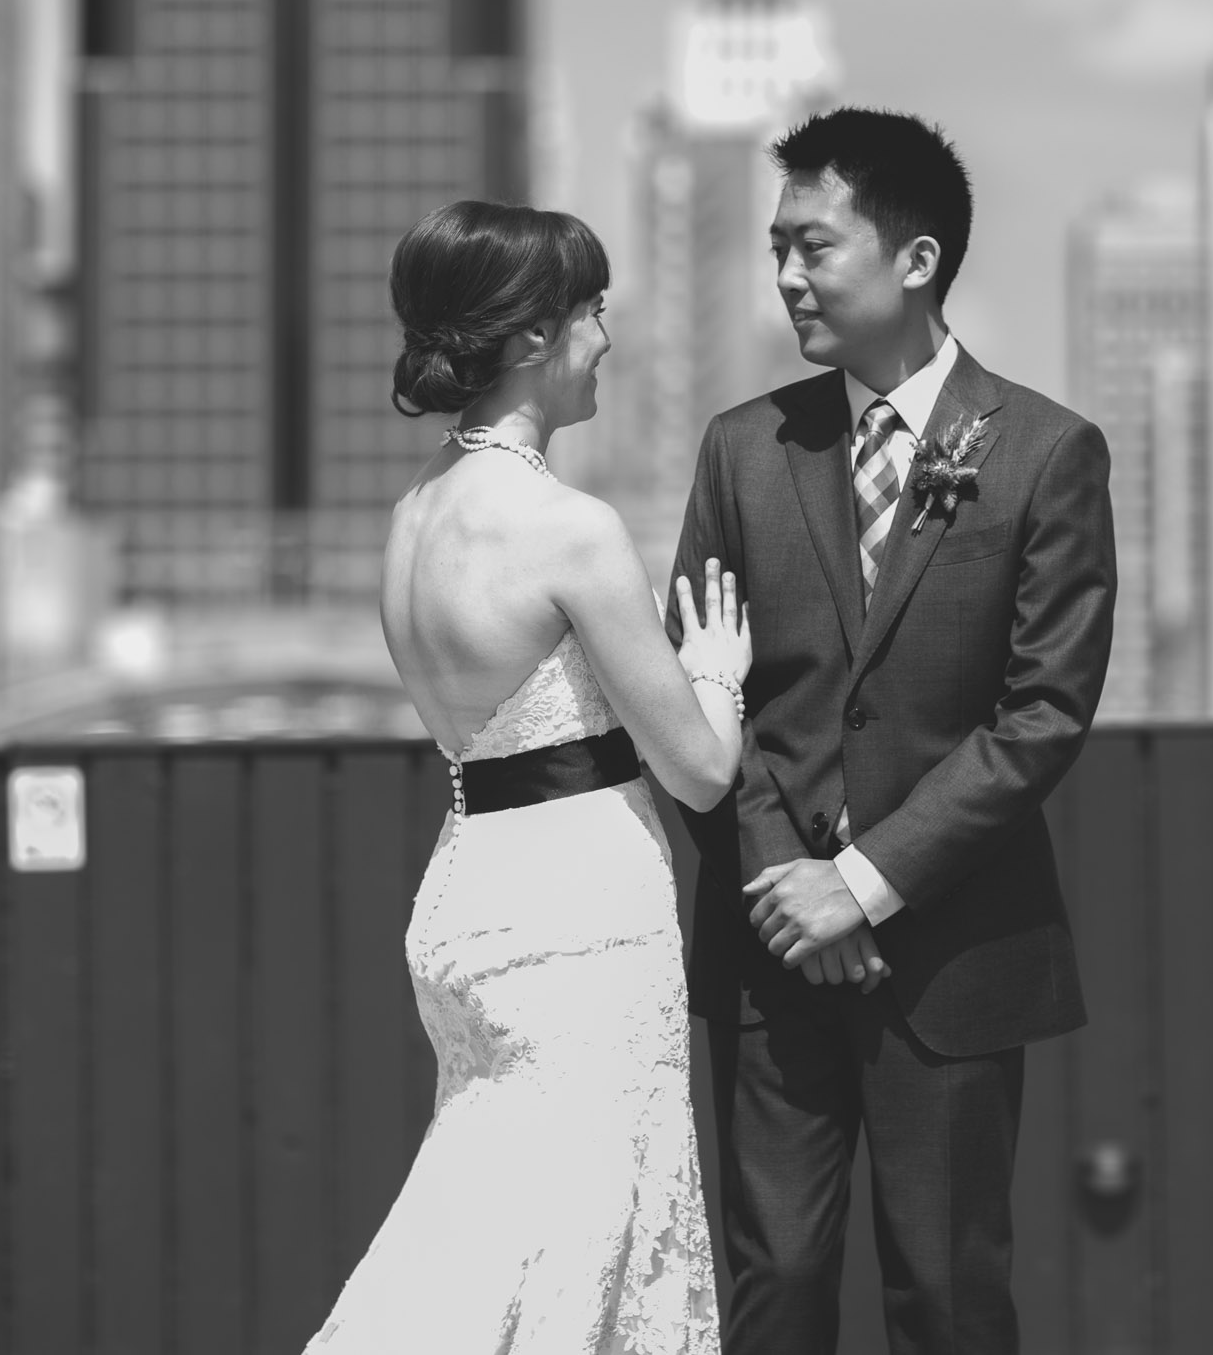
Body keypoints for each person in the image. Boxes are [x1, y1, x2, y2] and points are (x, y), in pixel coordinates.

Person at [665, 107, 1117, 1354]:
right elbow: (699, 697)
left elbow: (1041, 715)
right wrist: (790, 888)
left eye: (812, 245)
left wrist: (860, 886)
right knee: (774, 1286)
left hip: (951, 956)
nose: (784, 274)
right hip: (769, 954)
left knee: (947, 1296)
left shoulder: (1044, 454)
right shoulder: (741, 452)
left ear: (915, 259)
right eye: (775, 247)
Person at [305, 199, 747, 1355]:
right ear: (536, 336)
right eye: (593, 311)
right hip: (578, 920)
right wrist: (718, 669)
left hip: (463, 895)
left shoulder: (412, 517)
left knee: (471, 1225)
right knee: (587, 1245)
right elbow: (701, 769)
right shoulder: (566, 529)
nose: (608, 336)